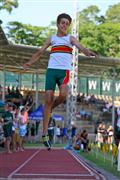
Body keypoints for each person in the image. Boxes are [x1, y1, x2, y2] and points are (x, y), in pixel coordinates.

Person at [23, 13, 97, 150]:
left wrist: (87, 52)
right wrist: (29, 62)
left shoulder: (70, 38)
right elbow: (40, 52)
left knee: (63, 95)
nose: (64, 25)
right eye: (62, 23)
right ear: (57, 24)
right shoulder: (52, 38)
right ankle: (45, 134)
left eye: (67, 24)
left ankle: (50, 109)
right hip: (51, 71)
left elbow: (80, 46)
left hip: (64, 71)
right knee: (48, 98)